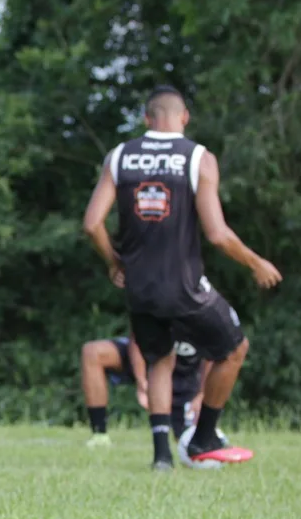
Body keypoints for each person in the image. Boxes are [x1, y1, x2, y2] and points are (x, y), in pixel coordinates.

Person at [83, 86, 281, 470]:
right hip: (185, 287)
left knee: (159, 360)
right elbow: (218, 234)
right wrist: (256, 262)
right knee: (234, 349)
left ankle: (161, 457)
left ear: (146, 119)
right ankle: (204, 436)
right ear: (184, 117)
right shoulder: (198, 158)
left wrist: (114, 262)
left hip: (139, 287)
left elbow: (92, 224)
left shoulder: (119, 156)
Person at [81, 331, 212, 448]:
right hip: (148, 359)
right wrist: (142, 381)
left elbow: (214, 354)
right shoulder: (154, 304)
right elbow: (136, 337)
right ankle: (99, 435)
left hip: (185, 375)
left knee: (187, 442)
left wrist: (202, 394)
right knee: (92, 351)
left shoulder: (203, 310)